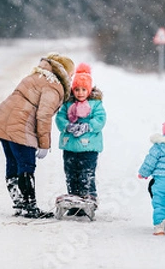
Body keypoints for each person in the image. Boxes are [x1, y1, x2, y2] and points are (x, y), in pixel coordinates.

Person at [0, 53, 74, 219]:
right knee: (26, 164)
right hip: (19, 124)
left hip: (2, 119)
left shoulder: (36, 76)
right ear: (64, 73)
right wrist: (44, 145)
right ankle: (29, 206)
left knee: (13, 162)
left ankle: (20, 203)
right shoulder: (53, 85)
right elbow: (43, 115)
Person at [55, 63, 107, 216]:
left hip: (88, 148)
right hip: (69, 147)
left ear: (89, 90)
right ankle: (74, 202)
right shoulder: (68, 104)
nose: (80, 93)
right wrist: (67, 126)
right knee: (71, 174)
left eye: (83, 89)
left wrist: (87, 126)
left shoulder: (95, 104)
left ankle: (89, 201)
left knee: (86, 174)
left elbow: (101, 119)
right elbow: (60, 118)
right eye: (77, 89)